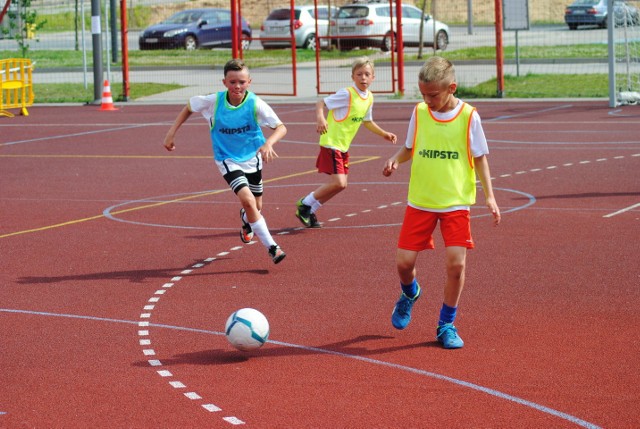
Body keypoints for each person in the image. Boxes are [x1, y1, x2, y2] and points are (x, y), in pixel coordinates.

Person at [382, 56, 501, 349]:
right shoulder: (420, 112)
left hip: (455, 201)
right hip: (421, 200)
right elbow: (410, 148)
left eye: (433, 94)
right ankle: (410, 293)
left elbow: (480, 158)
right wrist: (395, 160)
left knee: (456, 265)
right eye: (423, 94)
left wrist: (490, 196)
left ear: (452, 88)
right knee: (404, 263)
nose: (427, 100)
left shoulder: (469, 116)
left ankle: (446, 323)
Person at [164, 58, 287, 264]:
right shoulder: (214, 102)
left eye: (241, 82)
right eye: (232, 82)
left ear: (249, 82)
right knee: (248, 201)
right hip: (227, 158)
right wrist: (171, 133)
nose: (237, 86)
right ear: (224, 82)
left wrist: (269, 144)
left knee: (256, 206)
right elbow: (189, 106)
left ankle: (247, 222)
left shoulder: (256, 103)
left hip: (252, 158)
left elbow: (281, 127)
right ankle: (273, 247)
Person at [295, 57, 397, 228]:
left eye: (367, 74)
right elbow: (320, 103)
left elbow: (367, 121)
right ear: (353, 77)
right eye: (359, 74)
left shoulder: (369, 97)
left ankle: (310, 210)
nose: (363, 78)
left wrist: (384, 134)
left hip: (343, 145)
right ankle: (304, 204)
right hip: (331, 142)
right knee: (339, 182)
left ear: (373, 77)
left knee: (341, 186)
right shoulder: (347, 94)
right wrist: (320, 118)